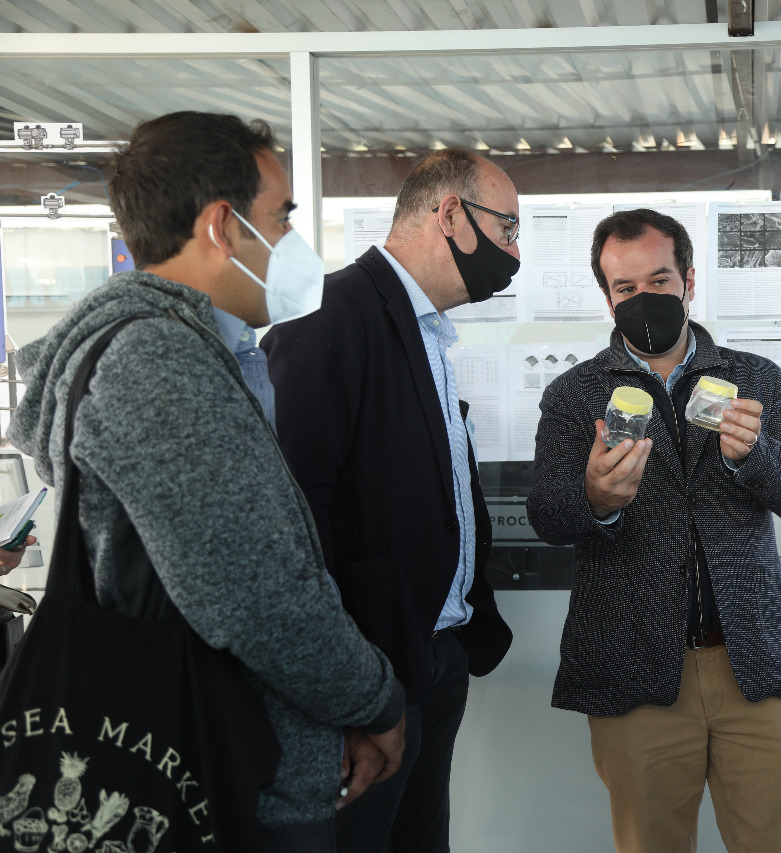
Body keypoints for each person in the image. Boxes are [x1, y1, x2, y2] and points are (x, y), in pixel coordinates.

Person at [8, 111, 406, 852]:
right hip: (220, 778)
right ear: (224, 226)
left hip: (221, 760)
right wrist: (374, 701)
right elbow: (258, 593)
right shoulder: (157, 364)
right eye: (281, 218)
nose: (292, 239)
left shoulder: (194, 350)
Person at [527, 208, 781, 853]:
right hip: (633, 668)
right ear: (607, 297)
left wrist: (755, 457)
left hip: (757, 660)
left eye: (659, 281)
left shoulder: (754, 377)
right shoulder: (574, 394)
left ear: (689, 281)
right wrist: (593, 497)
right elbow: (546, 514)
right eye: (625, 288)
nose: (644, 300)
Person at [262, 148, 517, 853]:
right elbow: (296, 519)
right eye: (507, 228)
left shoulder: (426, 328)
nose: (514, 252)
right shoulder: (331, 316)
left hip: (432, 655)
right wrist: (347, 689)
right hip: (369, 673)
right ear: (450, 214)